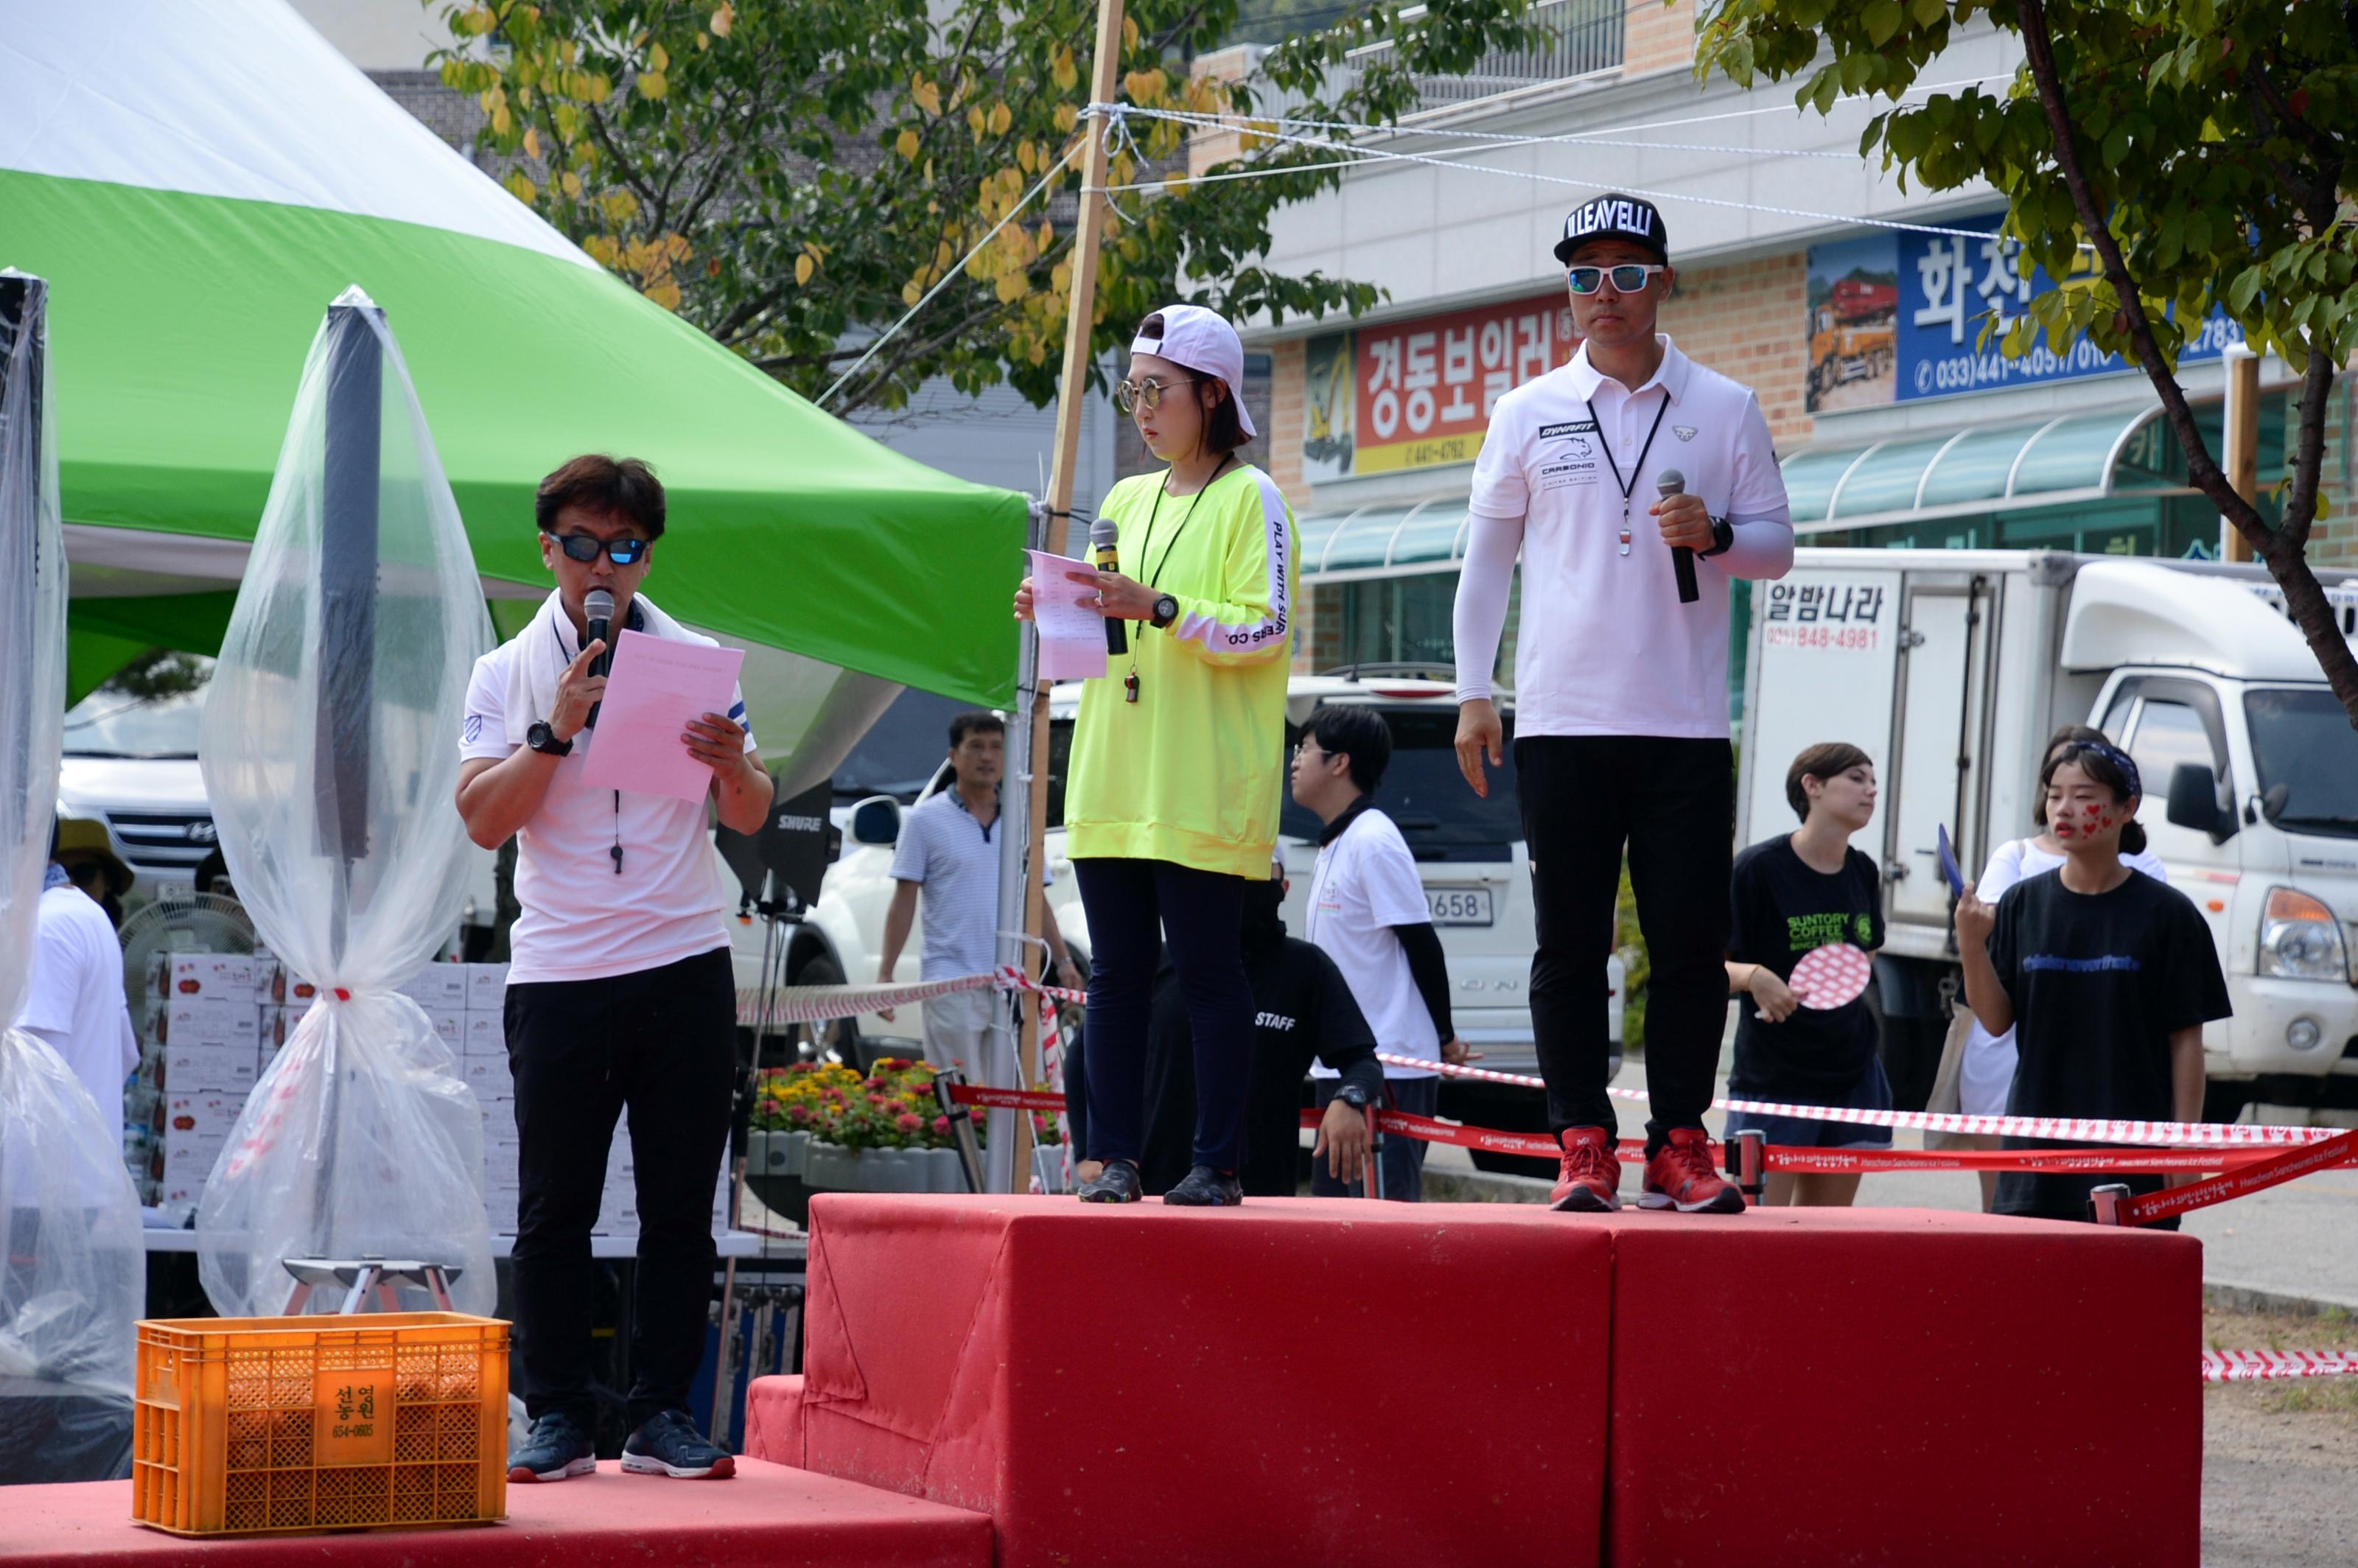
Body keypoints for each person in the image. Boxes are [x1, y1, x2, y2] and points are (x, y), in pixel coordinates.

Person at [1452, 193, 1794, 1215]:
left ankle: (1682, 1142)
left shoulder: (1725, 406)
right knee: (1570, 941)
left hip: (1683, 723)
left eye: (1630, 274)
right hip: (1561, 721)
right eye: (1586, 276)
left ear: (1665, 282)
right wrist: (1477, 695)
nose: (1608, 295)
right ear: (1568, 293)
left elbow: (1778, 547)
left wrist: (1717, 534)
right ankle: (1581, 1142)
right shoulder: (1527, 411)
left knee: (1691, 944)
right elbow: (1484, 567)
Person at [456, 455, 772, 1483]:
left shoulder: (689, 658)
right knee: (557, 1206)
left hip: (684, 957)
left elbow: (753, 812)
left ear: (646, 555)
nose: (604, 567)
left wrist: (734, 764)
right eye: (584, 545)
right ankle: (555, 1412)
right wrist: (555, 731)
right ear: (548, 548)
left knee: (682, 1205)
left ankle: (660, 1413)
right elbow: (481, 821)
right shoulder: (507, 672)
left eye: (625, 548)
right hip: (562, 968)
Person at [1013, 304, 1292, 1208]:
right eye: (1131, 389)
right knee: (1118, 978)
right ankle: (1115, 1160)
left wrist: (1158, 607)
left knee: (1210, 971)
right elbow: (1105, 638)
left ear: (1213, 394)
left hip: (1201, 777)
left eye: (1156, 389)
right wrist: (1055, 608)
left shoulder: (1253, 498)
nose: (1139, 407)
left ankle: (1215, 1162)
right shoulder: (1124, 501)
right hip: (1113, 768)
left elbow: (1268, 627)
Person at [1953, 741, 2228, 1225]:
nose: (2063, 809)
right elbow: (1996, 1022)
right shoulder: (2021, 904)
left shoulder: (2169, 915)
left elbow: (2187, 1041)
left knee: (2126, 1293)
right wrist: (1972, 946)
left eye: (2084, 796)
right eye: (2054, 794)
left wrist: (2185, 1143)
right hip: (2035, 1151)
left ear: (2128, 808)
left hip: (2135, 1153)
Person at [1287, 704, 1470, 1201]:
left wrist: (1445, 1036)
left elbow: (1421, 943)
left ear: (1340, 763)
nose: (1295, 761)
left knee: (1383, 1224)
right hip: (1344, 1067)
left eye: (1304, 749)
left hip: (1388, 1069)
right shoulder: (1337, 842)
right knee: (1334, 1228)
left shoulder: (1374, 840)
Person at [1138, 861, 1378, 1197]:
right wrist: (1098, 1153)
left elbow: (1362, 1061)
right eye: (1231, 878)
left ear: (1283, 889)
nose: (1244, 891)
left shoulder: (1305, 968)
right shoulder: (1163, 962)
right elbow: (1086, 1056)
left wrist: (1349, 1100)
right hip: (1157, 1190)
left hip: (1260, 1198)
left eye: (1259, 878)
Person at [1722, 744, 1887, 1207]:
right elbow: (1703, 969)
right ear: (1811, 786)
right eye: (1856, 778)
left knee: (1825, 1238)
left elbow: (1864, 953)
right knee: (1759, 1241)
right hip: (1774, 1078)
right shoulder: (1757, 870)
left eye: (1873, 781)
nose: (1871, 790)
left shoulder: (1863, 870)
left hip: (1853, 1072)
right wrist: (1756, 976)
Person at [874, 711, 1079, 1074]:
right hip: (951, 981)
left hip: (1014, 981)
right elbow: (904, 900)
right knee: (961, 1101)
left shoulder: (1023, 821)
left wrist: (1063, 963)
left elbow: (1037, 898)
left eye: (997, 748)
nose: (987, 757)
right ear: (953, 756)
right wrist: (886, 975)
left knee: (1017, 1101)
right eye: (976, 747)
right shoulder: (924, 820)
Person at [15, 819, 138, 1120]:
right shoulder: (87, 914)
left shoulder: (45, 927)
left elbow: (34, 1083)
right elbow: (127, 1054)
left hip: (53, 1161)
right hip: (86, 1155)